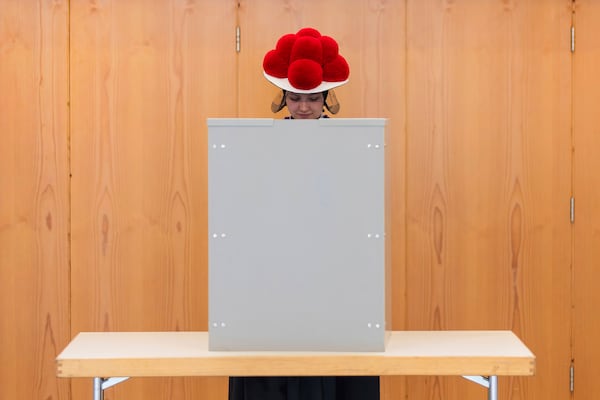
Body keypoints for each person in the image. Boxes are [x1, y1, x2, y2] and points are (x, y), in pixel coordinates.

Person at [228, 27, 380, 400]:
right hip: (273, 265)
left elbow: (359, 207)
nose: (304, 107)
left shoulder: (351, 145)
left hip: (333, 265)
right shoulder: (261, 145)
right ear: (284, 99)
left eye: (312, 98)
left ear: (326, 98)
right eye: (295, 98)